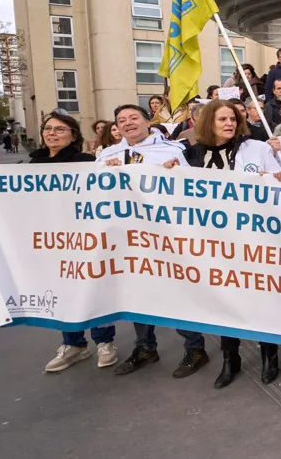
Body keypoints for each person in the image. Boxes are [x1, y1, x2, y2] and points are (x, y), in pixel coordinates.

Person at [165, 100, 281, 388]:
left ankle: (269, 354)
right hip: (213, 244)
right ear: (208, 123)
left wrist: (278, 178)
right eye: (222, 120)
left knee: (259, 296)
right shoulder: (190, 156)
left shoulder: (256, 148)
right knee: (224, 301)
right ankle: (231, 358)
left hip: (253, 239)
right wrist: (167, 172)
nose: (230, 124)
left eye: (232, 118)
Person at [97, 104, 209, 377]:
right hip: (127, 237)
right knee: (137, 293)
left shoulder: (172, 151)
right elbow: (94, 194)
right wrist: (105, 174)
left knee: (177, 290)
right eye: (121, 120)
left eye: (134, 117)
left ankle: (195, 348)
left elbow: (190, 189)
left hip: (164, 235)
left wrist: (172, 172)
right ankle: (145, 347)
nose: (127, 123)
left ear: (148, 121)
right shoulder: (107, 155)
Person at [30, 114, 119, 372]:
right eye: (48, 128)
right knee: (63, 291)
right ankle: (73, 344)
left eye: (60, 129)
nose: (52, 133)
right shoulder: (34, 163)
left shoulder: (87, 162)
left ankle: (104, 342)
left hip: (84, 237)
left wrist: (111, 169)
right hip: (52, 239)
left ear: (73, 134)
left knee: (93, 288)